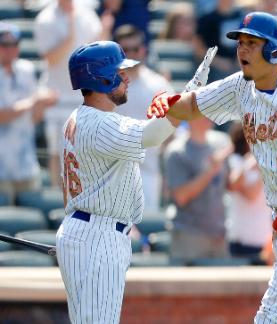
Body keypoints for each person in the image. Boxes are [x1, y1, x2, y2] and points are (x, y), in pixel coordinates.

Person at [148, 11, 277, 324]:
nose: (242, 50)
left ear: (275, 51)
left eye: (252, 43)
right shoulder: (241, 87)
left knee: (271, 319)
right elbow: (193, 106)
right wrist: (166, 101)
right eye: (240, 43)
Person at [56, 40, 189, 324]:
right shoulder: (98, 122)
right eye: (118, 72)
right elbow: (152, 136)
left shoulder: (81, 118)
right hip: (97, 234)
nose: (126, 77)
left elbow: (147, 132)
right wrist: (184, 104)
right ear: (100, 78)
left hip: (89, 230)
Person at [34, 0, 104, 187]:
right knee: (57, 154)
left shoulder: (88, 14)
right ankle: (59, 199)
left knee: (85, 152)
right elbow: (51, 58)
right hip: (57, 97)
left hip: (83, 97)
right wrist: (70, 36)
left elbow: (98, 48)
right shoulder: (45, 18)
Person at [113, 24, 174, 212]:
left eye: (136, 49)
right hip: (112, 171)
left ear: (144, 50)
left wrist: (166, 175)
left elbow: (171, 130)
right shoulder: (107, 84)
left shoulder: (158, 84)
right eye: (126, 50)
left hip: (147, 172)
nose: (132, 54)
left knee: (147, 232)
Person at [0, 22, 58, 204]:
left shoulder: (26, 69)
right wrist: (34, 101)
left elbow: (34, 117)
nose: (10, 49)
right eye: (4, 44)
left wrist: (44, 103)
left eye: (14, 44)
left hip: (26, 163)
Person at [163, 116, 232, 265]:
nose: (208, 117)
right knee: (187, 288)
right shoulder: (176, 151)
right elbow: (181, 197)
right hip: (190, 236)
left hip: (218, 234)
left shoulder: (222, 142)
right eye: (201, 112)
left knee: (223, 288)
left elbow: (229, 184)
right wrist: (210, 170)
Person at [226, 122, 272, 264]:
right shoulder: (236, 161)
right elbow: (235, 185)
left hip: (264, 240)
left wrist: (263, 167)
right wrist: (249, 166)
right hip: (240, 238)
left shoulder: (269, 163)